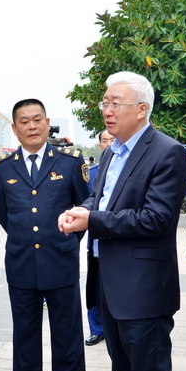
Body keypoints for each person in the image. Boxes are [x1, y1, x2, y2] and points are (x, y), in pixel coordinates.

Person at [59, 71, 186, 371]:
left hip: (143, 293)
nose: (107, 110)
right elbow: (103, 200)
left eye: (116, 103)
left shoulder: (167, 151)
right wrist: (84, 210)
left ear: (142, 109)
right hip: (109, 289)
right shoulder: (112, 153)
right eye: (105, 102)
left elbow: (157, 218)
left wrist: (94, 220)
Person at [0, 98, 90, 371]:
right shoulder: (2, 168)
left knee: (68, 339)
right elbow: (8, 218)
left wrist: (62, 242)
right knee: (25, 339)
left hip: (60, 265)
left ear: (47, 122)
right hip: (21, 267)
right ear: (14, 128)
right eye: (25, 121)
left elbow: (82, 211)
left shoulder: (69, 162)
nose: (32, 126)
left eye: (37, 120)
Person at [84, 129, 114, 347]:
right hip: (93, 240)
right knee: (93, 286)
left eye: (112, 140)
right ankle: (96, 329)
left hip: (115, 239)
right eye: (104, 140)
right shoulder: (92, 172)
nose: (108, 143)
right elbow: (86, 198)